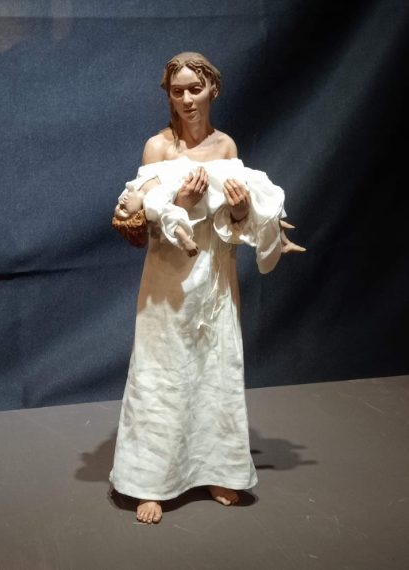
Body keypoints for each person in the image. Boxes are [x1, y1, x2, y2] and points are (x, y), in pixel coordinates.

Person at [110, 52, 304, 524]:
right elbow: (141, 219)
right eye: (177, 91)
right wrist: (180, 200)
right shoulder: (157, 148)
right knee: (162, 375)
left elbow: (233, 224)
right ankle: (151, 481)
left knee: (214, 370)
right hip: (168, 279)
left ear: (212, 89)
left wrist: (239, 210)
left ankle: (217, 468)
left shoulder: (225, 147)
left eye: (195, 89)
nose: (187, 99)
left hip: (214, 277)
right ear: (168, 95)